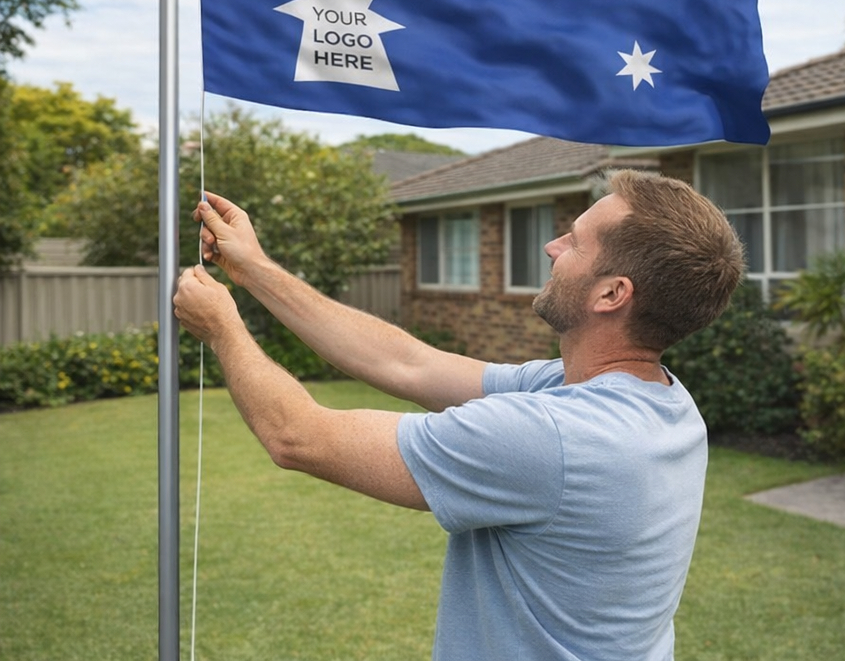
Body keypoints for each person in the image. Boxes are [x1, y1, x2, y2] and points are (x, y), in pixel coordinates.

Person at [173, 168, 744, 661]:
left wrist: (222, 325)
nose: (551, 247)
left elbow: (298, 437)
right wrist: (253, 270)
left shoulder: (553, 435)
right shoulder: (656, 401)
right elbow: (409, 365)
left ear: (611, 293)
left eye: (574, 243)